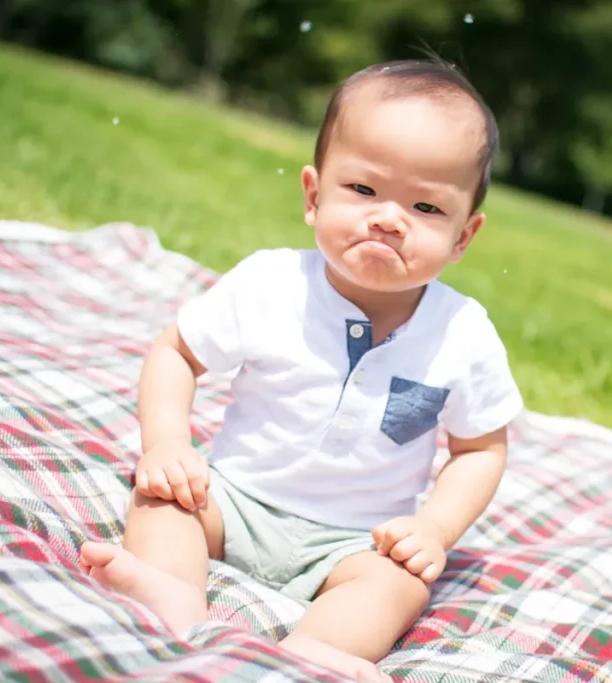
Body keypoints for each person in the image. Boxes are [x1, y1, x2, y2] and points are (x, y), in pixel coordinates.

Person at [79, 57, 524, 682]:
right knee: (162, 498)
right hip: (231, 498)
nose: (389, 218)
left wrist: (432, 527)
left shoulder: (463, 333)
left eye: (425, 207)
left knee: (398, 586)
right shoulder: (272, 283)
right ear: (314, 196)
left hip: (357, 540)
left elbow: (480, 449)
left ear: (463, 237)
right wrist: (169, 442)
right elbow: (176, 352)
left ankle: (320, 649)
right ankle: (170, 594)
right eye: (363, 190)